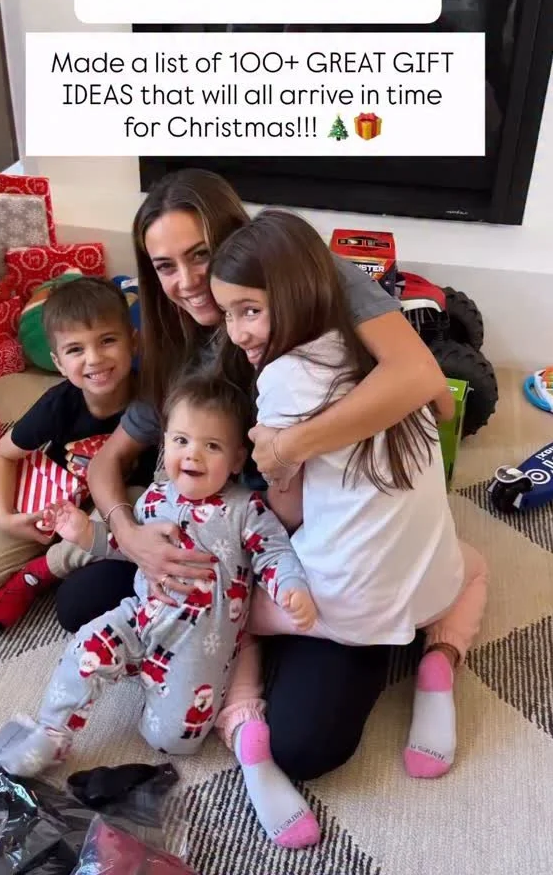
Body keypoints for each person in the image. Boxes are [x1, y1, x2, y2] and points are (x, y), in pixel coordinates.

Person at [58, 167, 453, 781]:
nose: (188, 283)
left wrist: (286, 448)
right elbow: (110, 458)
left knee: (305, 747)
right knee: (80, 601)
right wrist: (128, 533)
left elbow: (431, 389)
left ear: (234, 240)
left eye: (200, 255)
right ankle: (247, 632)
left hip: (316, 537)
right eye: (165, 267)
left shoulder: (306, 279)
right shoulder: (175, 339)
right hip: (225, 532)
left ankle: (364, 636)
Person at [209, 208, 489, 779]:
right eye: (228, 314)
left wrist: (272, 468)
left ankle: (240, 712)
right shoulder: (386, 358)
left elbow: (289, 511)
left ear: (297, 295)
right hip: (430, 587)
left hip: (342, 605)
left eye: (251, 310)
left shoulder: (284, 378)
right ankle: (440, 662)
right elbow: (440, 408)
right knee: (477, 569)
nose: (237, 333)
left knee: (228, 603)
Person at [0, 373, 321, 851]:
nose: (192, 455)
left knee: (169, 739)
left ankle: (211, 705)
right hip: (140, 617)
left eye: (211, 446)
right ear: (164, 443)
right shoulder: (153, 498)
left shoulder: (246, 510)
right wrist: (83, 531)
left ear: (237, 459)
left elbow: (274, 553)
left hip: (198, 645)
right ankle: (52, 732)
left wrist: (291, 589)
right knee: (86, 646)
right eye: (181, 441)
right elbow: (121, 545)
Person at [0, 277, 156, 631]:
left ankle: (43, 569)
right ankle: (65, 558)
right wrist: (5, 516)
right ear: (59, 363)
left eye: (107, 341)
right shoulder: (58, 403)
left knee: (135, 502)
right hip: (55, 499)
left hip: (116, 504)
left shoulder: (152, 399)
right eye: (76, 349)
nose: (94, 359)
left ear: (133, 341)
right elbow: (1, 456)